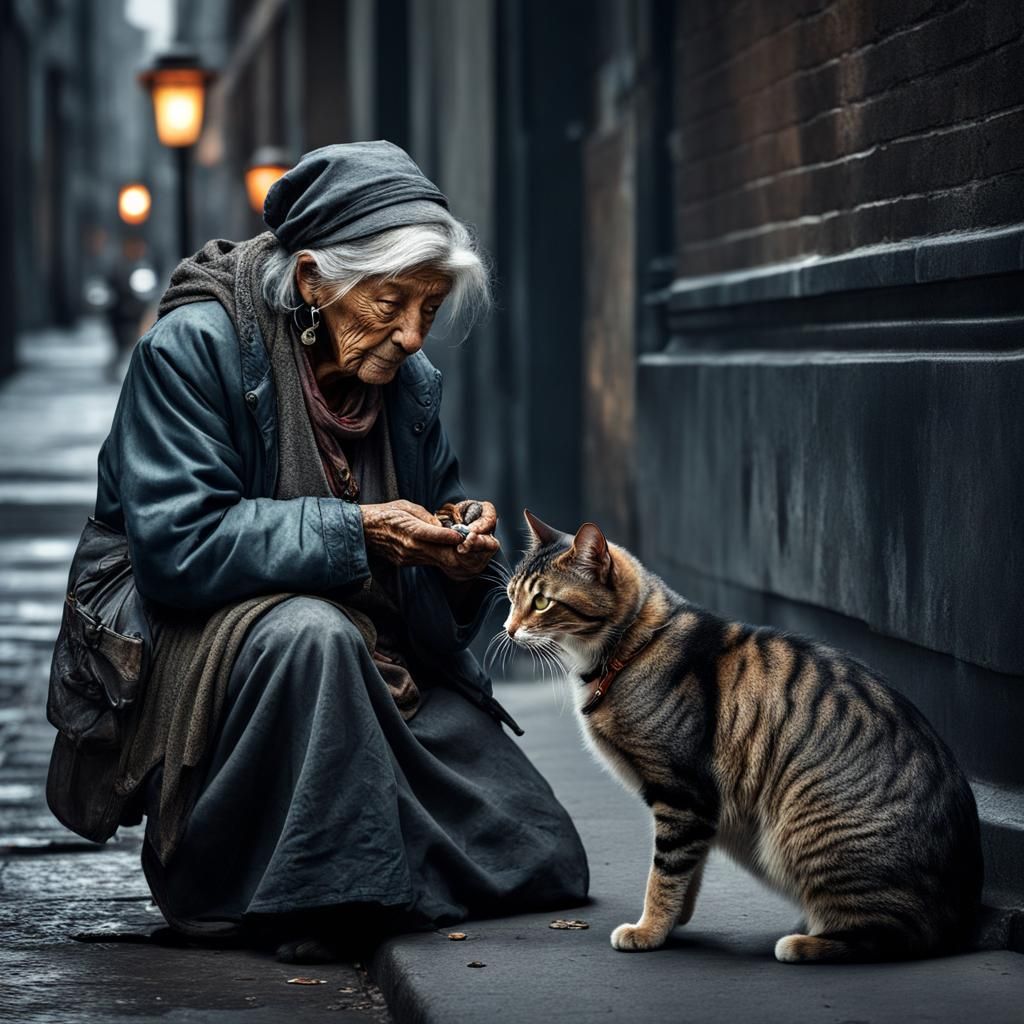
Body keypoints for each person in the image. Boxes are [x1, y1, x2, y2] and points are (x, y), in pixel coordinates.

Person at [91, 141, 588, 961]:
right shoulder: (191, 349)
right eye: (393, 301)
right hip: (200, 641)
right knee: (311, 635)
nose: (411, 333)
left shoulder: (409, 385)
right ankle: (306, 887)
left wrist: (456, 560)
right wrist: (359, 531)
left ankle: (349, 877)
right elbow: (176, 548)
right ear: (315, 279)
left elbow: (431, 613)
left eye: (431, 307)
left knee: (541, 852)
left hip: (368, 656)